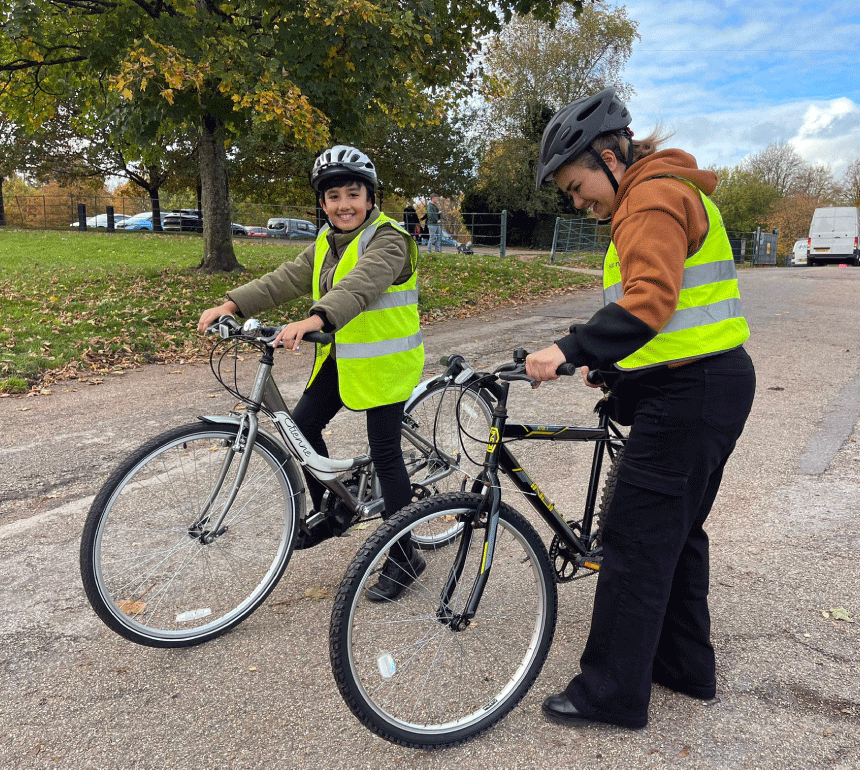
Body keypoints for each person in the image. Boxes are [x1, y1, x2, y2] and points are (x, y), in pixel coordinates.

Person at [528, 87, 756, 729]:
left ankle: (610, 694)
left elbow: (651, 301)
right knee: (674, 534)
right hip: (704, 387)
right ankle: (681, 667)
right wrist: (615, 367)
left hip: (692, 393)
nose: (577, 202)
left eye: (577, 187)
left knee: (633, 541)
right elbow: (671, 320)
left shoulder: (650, 196)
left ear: (608, 156)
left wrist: (569, 348)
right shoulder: (658, 191)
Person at [197, 144, 426, 601]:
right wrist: (232, 303)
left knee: (385, 453)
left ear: (370, 196)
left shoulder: (390, 239)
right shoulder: (325, 241)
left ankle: (405, 556)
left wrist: (315, 319)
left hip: (385, 364)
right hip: (342, 358)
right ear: (322, 203)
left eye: (353, 194)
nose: (344, 205)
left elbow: (360, 287)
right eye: (334, 196)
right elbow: (284, 278)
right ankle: (333, 510)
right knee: (301, 427)